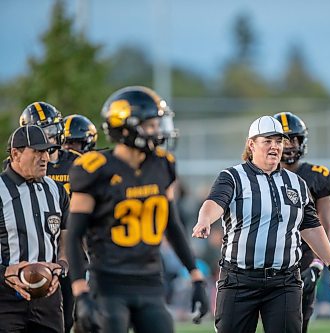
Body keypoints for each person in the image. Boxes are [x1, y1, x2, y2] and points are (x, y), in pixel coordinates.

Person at [66, 86, 209, 333]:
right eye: (151, 125)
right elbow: (74, 234)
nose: (158, 131)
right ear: (127, 127)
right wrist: (80, 291)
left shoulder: (163, 165)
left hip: (151, 281)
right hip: (109, 283)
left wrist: (195, 275)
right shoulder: (94, 169)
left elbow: (171, 224)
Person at [192, 115, 330, 333]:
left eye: (278, 141)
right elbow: (216, 201)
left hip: (284, 282)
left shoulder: (297, 183)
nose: (275, 146)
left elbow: (311, 226)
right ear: (252, 144)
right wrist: (205, 219)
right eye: (268, 141)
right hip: (239, 279)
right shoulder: (233, 176)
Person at [0, 125, 69, 333]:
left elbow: (66, 234)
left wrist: (63, 263)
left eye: (47, 151)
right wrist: (5, 272)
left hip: (48, 299)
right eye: (37, 151)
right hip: (5, 299)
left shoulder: (56, 190)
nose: (45, 158)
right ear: (16, 154)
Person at [19, 101, 81, 333]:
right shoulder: (22, 167)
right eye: (42, 131)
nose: (49, 137)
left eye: (51, 129)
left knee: (67, 318)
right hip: (36, 248)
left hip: (71, 242)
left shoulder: (76, 161)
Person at [273, 112, 330, 332]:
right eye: (284, 139)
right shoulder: (257, 175)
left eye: (294, 139)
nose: (290, 145)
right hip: (265, 261)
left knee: (297, 325)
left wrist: (318, 265)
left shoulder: (317, 176)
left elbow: (325, 227)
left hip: (302, 259)